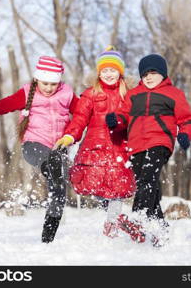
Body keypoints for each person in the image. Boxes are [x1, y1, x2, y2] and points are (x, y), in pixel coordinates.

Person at [0, 56, 78, 243]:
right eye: (45, 83)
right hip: (33, 145)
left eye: (53, 84)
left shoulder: (66, 94)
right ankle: (50, 168)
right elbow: (4, 105)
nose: (49, 88)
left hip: (58, 147)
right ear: (37, 79)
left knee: (59, 191)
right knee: (52, 166)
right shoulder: (28, 93)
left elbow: (82, 113)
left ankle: (48, 238)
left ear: (59, 82)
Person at [106, 53, 191, 246]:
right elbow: (124, 116)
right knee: (147, 184)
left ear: (163, 73)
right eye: (145, 73)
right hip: (137, 145)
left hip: (160, 142)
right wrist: (116, 121)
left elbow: (187, 119)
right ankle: (160, 229)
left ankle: (138, 218)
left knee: (148, 176)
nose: (148, 77)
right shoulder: (133, 95)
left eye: (153, 72)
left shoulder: (174, 94)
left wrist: (185, 134)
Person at [54, 46, 136, 238]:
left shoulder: (129, 95)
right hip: (95, 149)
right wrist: (69, 136)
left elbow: (133, 117)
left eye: (113, 70)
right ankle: (119, 218)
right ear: (99, 72)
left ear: (120, 72)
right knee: (94, 188)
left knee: (117, 190)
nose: (109, 74)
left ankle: (112, 224)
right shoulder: (90, 94)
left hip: (119, 148)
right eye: (105, 70)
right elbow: (79, 119)